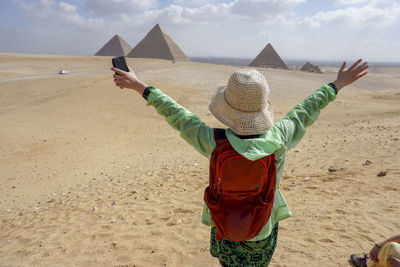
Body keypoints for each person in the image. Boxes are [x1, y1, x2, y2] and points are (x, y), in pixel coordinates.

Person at [111, 59, 369, 266]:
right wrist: (337, 84)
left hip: (224, 223)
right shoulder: (280, 137)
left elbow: (177, 114)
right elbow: (305, 110)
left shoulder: (213, 141)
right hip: (263, 225)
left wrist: (139, 86)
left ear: (228, 110)